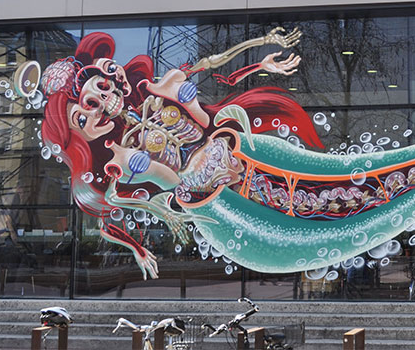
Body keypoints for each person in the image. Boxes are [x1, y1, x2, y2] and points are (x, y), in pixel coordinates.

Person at [40, 30, 321, 279]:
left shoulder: (155, 89)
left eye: (102, 88)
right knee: (281, 218)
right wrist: (139, 246)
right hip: (208, 191)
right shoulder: (117, 159)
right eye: (83, 116)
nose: (103, 103)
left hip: (228, 150)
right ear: (78, 136)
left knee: (305, 194)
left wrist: (261, 53)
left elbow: (211, 66)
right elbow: (107, 216)